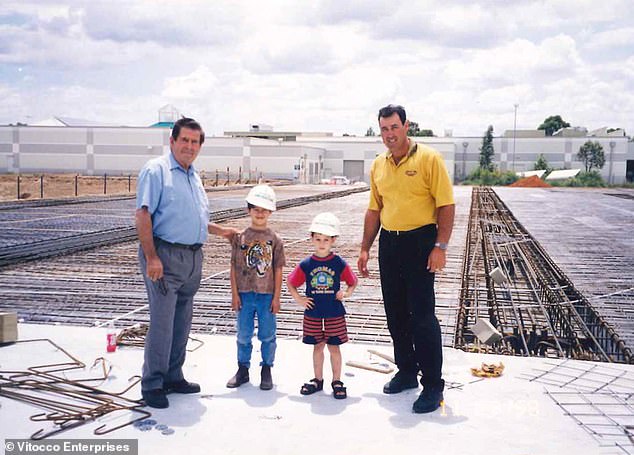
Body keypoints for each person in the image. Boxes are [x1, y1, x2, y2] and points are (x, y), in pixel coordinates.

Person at [357, 104, 455, 414]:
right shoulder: (379, 165)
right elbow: (375, 209)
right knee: (395, 313)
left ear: (406, 126)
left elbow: (446, 205)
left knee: (422, 316)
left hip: (420, 242)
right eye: (384, 129)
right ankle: (407, 372)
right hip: (390, 242)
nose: (389, 134)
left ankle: (433, 385)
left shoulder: (429, 159)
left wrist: (440, 246)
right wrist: (365, 248)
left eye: (394, 127)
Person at [136, 117, 235, 409]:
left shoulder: (193, 174)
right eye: (185, 141)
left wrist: (222, 232)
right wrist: (152, 257)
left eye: (195, 142)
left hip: (192, 257)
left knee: (182, 321)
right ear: (172, 142)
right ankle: (153, 383)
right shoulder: (157, 171)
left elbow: (196, 217)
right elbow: (143, 216)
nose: (189, 147)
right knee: (163, 322)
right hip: (165, 256)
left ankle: (173, 375)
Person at [287, 212, 358, 399]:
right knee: (317, 346)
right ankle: (318, 380)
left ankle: (337, 380)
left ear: (333, 240)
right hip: (313, 313)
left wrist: (347, 293)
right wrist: (299, 299)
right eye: (318, 239)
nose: (321, 243)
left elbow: (352, 281)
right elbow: (291, 282)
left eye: (326, 239)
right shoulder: (306, 264)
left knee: (334, 347)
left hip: (334, 312)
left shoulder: (338, 262)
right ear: (311, 238)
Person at [226, 184, 285, 391]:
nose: (260, 213)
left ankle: (266, 369)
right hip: (244, 294)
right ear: (249, 210)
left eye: (264, 210)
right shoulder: (240, 238)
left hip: (266, 295)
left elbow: (278, 269)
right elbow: (233, 266)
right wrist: (234, 294)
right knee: (243, 334)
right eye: (256, 209)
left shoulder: (275, 240)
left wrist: (277, 298)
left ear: (270, 212)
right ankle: (242, 369)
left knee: (268, 334)